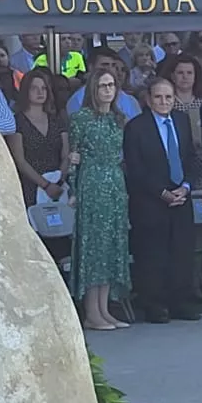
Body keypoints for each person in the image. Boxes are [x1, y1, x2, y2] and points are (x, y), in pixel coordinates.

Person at [123, 79, 202, 323]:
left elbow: (191, 157)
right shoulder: (136, 127)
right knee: (153, 255)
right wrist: (161, 192)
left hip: (181, 197)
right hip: (150, 202)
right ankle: (154, 305)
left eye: (168, 97)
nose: (164, 102)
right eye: (158, 97)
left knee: (182, 252)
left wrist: (186, 187)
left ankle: (181, 302)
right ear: (149, 99)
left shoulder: (181, 120)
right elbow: (135, 167)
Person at [66, 69, 132, 331]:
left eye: (111, 85)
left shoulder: (117, 119)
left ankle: (104, 309)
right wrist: (73, 189)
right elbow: (73, 156)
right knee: (94, 247)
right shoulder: (81, 118)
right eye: (103, 85)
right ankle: (92, 312)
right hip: (92, 182)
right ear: (93, 89)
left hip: (114, 182)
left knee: (111, 246)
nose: (108, 90)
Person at [12, 72, 68, 210]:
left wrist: (59, 181)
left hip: (58, 186)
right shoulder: (17, 121)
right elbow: (20, 160)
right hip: (31, 186)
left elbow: (66, 154)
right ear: (26, 91)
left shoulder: (56, 120)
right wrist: (45, 185)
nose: (40, 92)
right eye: (34, 88)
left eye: (43, 88)